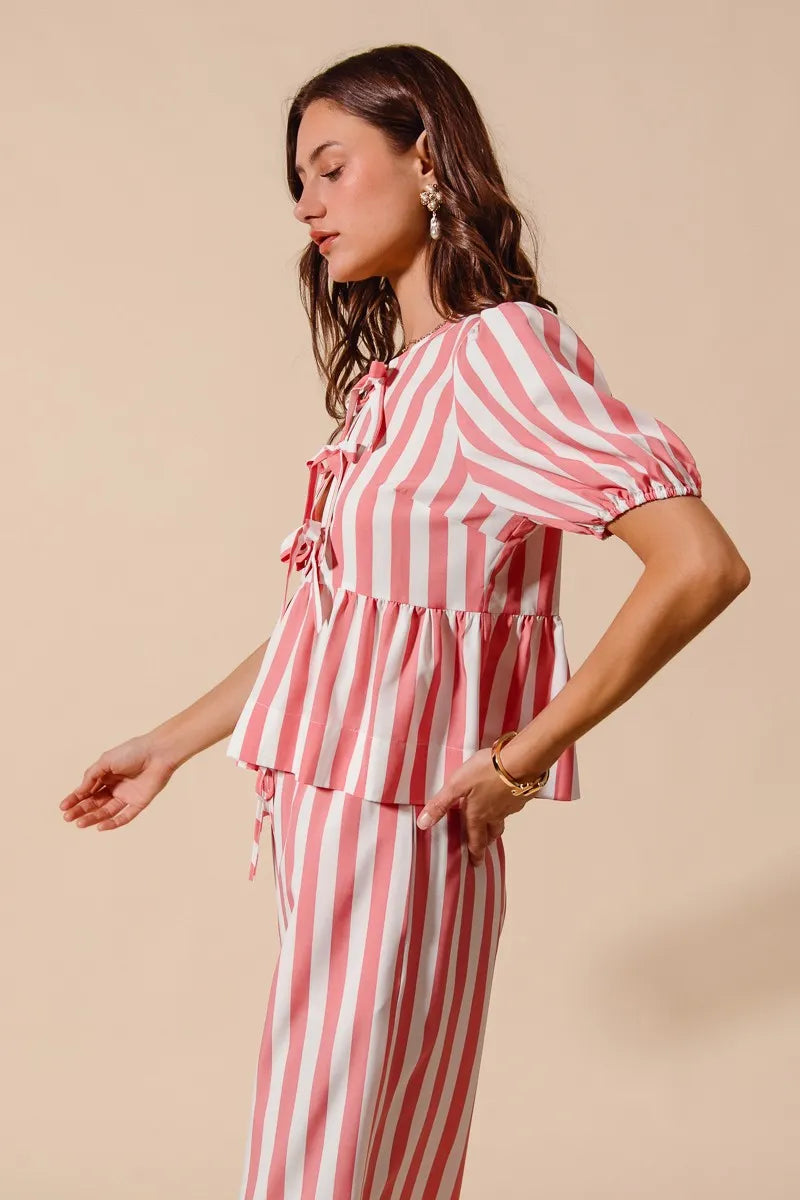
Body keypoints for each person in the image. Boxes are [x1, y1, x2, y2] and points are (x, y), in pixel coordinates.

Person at [59, 43, 750, 1200]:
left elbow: (696, 566)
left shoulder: (496, 360)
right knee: (377, 1163)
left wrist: (514, 763)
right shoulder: (408, 381)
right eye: (298, 181)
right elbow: (340, 625)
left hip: (393, 823)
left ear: (425, 157)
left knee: (325, 1161)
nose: (306, 205)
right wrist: (169, 745)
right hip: (347, 822)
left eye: (331, 168)